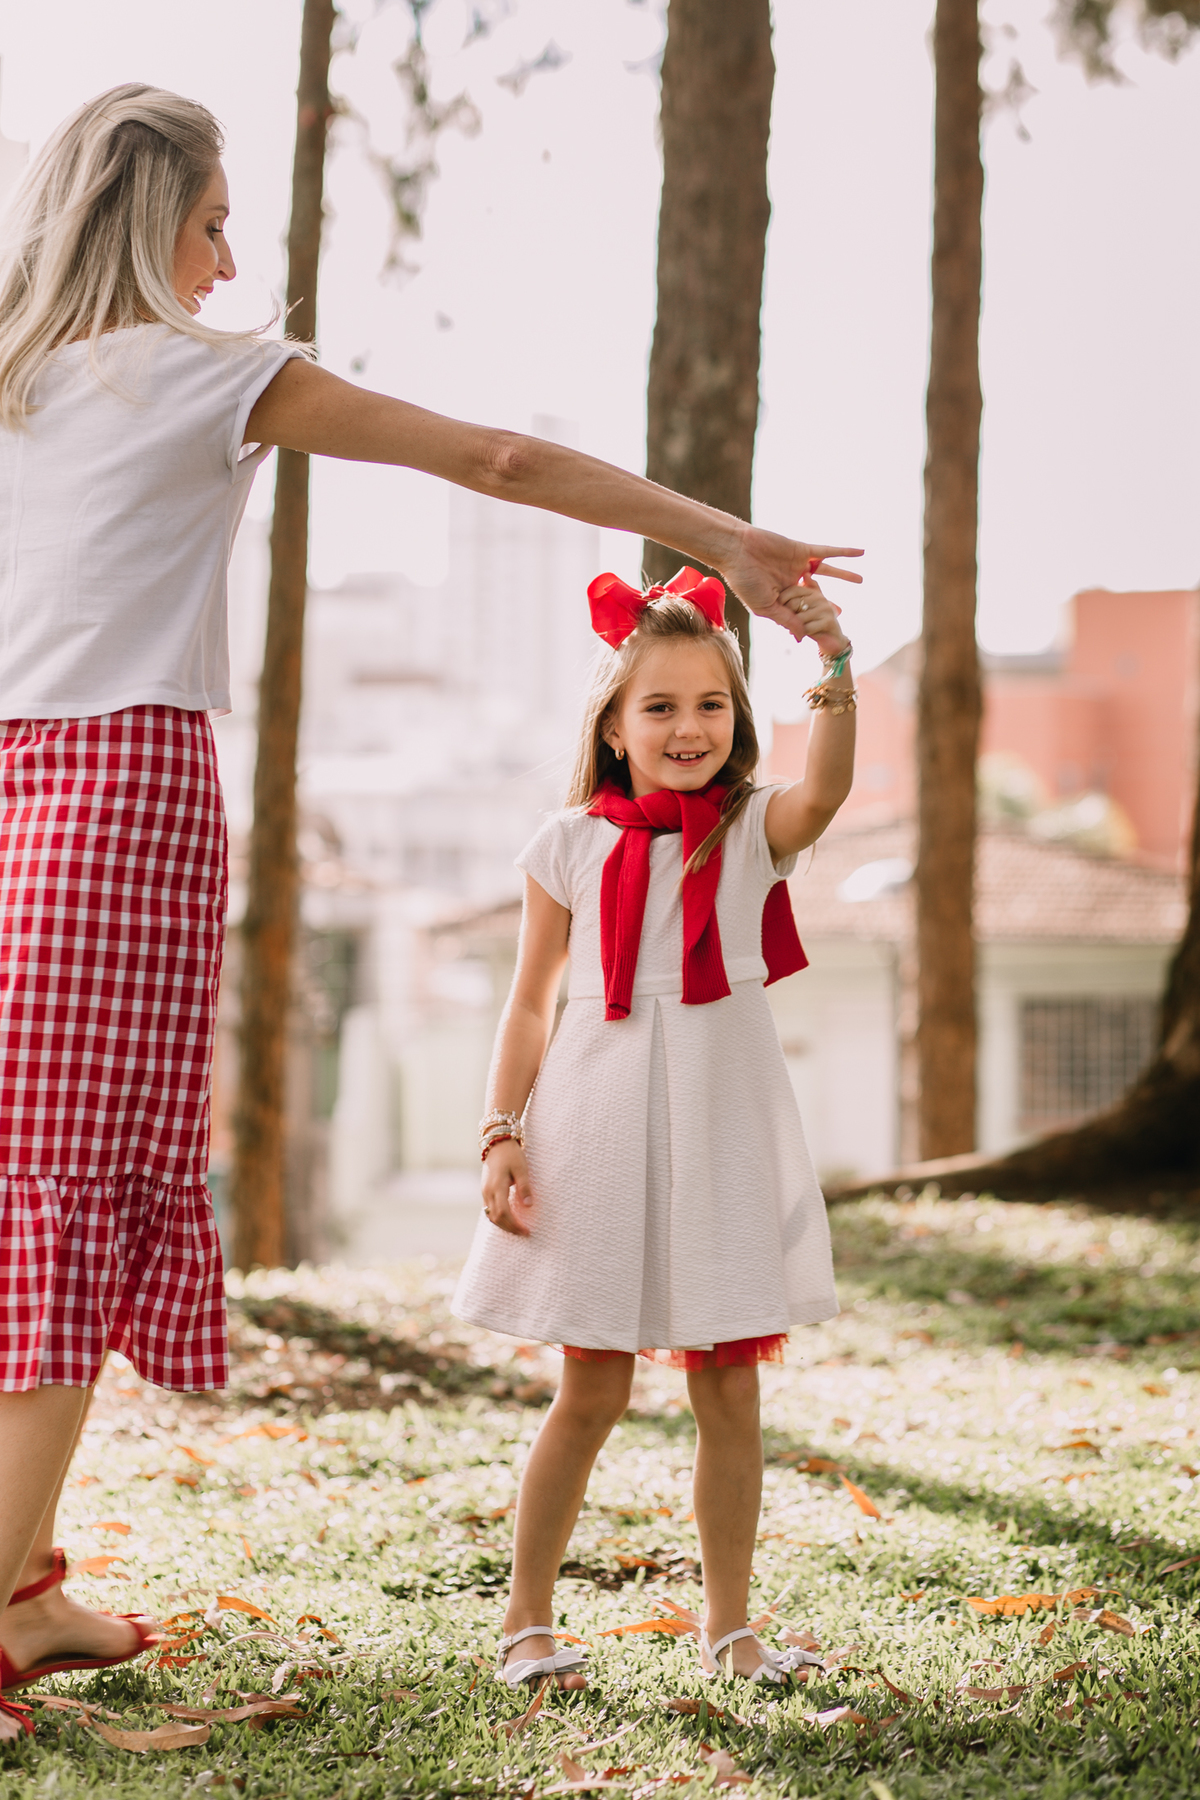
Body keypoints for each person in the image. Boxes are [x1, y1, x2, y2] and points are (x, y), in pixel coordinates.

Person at [0, 82, 860, 1743]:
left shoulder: (17, 379)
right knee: (70, 1196)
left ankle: (30, 1582)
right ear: (149, 213)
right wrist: (722, 540)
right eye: (213, 219)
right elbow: (498, 454)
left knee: (40, 1184)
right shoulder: (202, 372)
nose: (230, 252)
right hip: (119, 800)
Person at [452, 565, 856, 1691]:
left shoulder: (750, 830)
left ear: (739, 721)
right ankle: (526, 1620)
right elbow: (531, 1001)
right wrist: (501, 1130)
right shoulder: (566, 844)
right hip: (595, 1122)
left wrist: (832, 668)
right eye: (662, 707)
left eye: (711, 705)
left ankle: (731, 1629)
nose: (689, 727)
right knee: (591, 1386)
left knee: (730, 1385)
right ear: (616, 727)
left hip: (720, 1127)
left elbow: (823, 796)